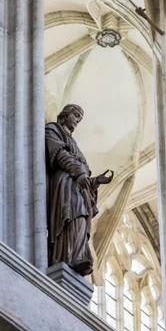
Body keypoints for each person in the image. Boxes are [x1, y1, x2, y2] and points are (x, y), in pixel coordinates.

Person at [45, 104, 114, 276]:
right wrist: (79, 174)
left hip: (77, 184)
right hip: (66, 183)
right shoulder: (53, 130)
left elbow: (83, 173)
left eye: (80, 118)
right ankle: (68, 255)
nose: (77, 120)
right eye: (75, 115)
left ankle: (77, 255)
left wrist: (95, 181)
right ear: (65, 115)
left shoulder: (73, 142)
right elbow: (60, 154)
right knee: (75, 214)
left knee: (82, 216)